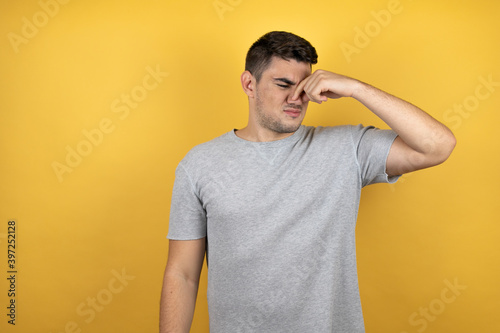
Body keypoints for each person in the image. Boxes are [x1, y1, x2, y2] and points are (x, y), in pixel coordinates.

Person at [159, 31, 456, 333]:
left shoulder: (346, 148)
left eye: (303, 87)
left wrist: (356, 88)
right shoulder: (199, 165)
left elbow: (437, 146)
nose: (295, 99)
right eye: (283, 85)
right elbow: (182, 274)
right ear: (250, 84)